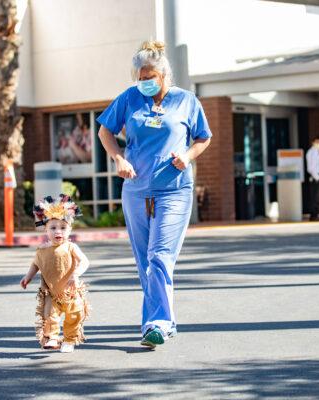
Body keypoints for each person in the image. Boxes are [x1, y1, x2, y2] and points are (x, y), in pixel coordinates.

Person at [97, 40, 212, 348]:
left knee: (159, 256)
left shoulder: (187, 101)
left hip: (174, 190)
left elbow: (203, 137)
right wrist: (118, 158)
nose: (144, 83)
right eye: (140, 78)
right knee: (144, 261)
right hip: (135, 191)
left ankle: (155, 323)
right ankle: (165, 319)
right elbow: (105, 130)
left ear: (164, 76)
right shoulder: (129, 98)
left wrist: (187, 156)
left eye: (150, 78)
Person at [20, 194, 91, 353]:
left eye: (63, 228)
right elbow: (36, 264)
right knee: (50, 316)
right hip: (51, 293)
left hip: (71, 292)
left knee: (74, 315)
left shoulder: (71, 247)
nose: (58, 231)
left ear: (70, 230)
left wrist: (76, 274)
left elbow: (85, 261)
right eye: (53, 228)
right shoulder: (42, 250)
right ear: (46, 229)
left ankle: (69, 339)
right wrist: (28, 277)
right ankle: (52, 338)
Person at [306, 136, 319, 221]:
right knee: (315, 196)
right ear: (313, 142)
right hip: (315, 176)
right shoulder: (312, 152)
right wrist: (317, 177)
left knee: (317, 196)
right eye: (317, 142)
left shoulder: (317, 152)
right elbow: (310, 168)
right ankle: (313, 215)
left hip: (318, 175)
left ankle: (315, 214)